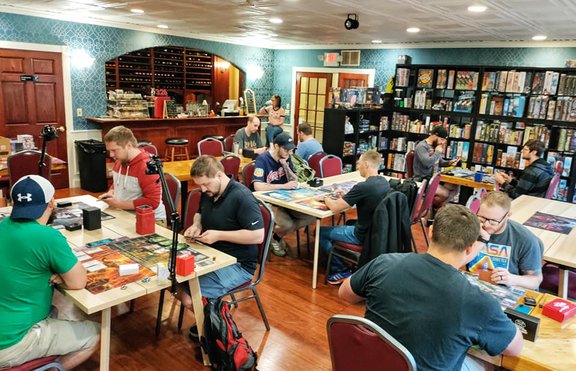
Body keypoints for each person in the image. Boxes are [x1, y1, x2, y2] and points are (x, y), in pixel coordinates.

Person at [339, 204, 523, 371]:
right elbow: (514, 348)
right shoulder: (480, 303)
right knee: (485, 365)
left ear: (431, 230)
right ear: (470, 248)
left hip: (372, 363)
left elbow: (345, 293)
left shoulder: (383, 262)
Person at [0, 175, 100, 369]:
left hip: (6, 325)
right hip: (11, 342)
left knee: (53, 311)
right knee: (96, 333)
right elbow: (78, 282)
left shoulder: (2, 226)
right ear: (52, 202)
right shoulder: (48, 236)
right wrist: (63, 278)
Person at [180, 155, 264, 306]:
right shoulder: (208, 193)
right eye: (200, 185)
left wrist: (219, 235)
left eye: (206, 184)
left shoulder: (242, 196)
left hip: (239, 264)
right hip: (213, 255)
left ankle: (220, 327)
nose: (203, 189)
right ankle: (210, 319)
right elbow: (199, 213)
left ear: (219, 175)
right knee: (173, 278)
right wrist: (196, 225)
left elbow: (258, 236)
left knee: (189, 295)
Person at [319, 150, 390, 285]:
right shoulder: (383, 182)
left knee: (320, 232)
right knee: (346, 223)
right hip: (376, 231)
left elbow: (334, 207)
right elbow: (365, 198)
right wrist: (347, 195)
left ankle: (340, 270)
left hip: (360, 235)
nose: (357, 167)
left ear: (367, 164)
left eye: (359, 163)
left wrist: (327, 198)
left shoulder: (363, 187)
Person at [253, 132, 315, 257]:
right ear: (276, 146)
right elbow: (257, 186)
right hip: (267, 201)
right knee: (288, 224)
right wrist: (283, 186)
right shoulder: (263, 160)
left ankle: (276, 236)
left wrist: (285, 165)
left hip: (285, 200)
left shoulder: (286, 158)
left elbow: (295, 179)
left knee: (311, 217)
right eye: (285, 149)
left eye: (290, 149)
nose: (288, 152)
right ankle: (272, 238)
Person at [472, 191, 543, 290]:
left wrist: (512, 279)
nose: (486, 225)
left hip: (504, 289)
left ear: (508, 216)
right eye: (482, 218)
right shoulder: (470, 227)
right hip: (473, 286)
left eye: (493, 221)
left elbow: (535, 281)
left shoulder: (525, 239)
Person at [100, 125, 166, 220]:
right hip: (126, 214)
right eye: (109, 151)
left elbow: (153, 202)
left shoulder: (147, 166)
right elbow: (118, 182)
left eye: (114, 150)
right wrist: (111, 192)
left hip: (151, 219)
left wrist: (119, 204)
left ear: (129, 146)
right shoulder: (120, 160)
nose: (111, 155)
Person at [413, 125, 460, 206]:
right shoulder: (421, 146)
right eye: (441, 139)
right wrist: (437, 152)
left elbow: (438, 162)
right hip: (423, 179)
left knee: (455, 187)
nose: (442, 142)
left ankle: (436, 207)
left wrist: (449, 163)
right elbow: (427, 163)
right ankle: (429, 207)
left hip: (433, 178)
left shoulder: (434, 146)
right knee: (445, 194)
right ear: (434, 136)